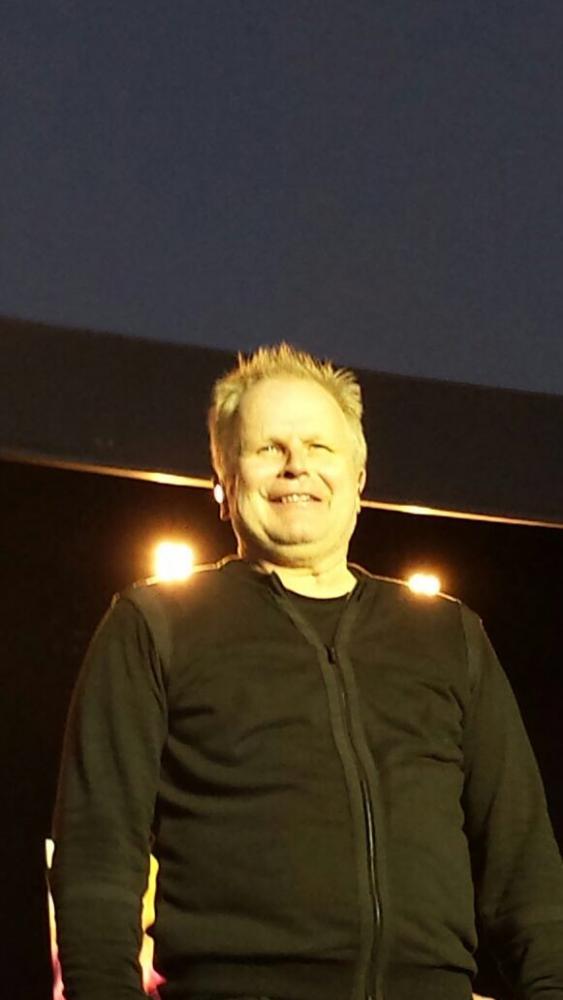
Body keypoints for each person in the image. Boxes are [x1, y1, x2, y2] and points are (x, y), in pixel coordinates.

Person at [50, 343, 563, 1000]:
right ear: (222, 484)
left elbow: (525, 868)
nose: (297, 465)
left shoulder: (447, 634)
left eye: (319, 447)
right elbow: (97, 857)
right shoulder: (154, 625)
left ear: (358, 479)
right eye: (269, 448)